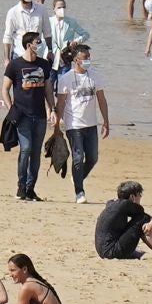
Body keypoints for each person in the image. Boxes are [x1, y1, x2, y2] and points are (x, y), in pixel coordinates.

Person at [53, 43, 110, 202]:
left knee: (92, 158)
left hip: (91, 124)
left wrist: (106, 121)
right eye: (85, 59)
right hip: (74, 125)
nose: (88, 61)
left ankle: (78, 177)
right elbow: (61, 103)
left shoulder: (95, 76)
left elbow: (102, 100)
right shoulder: (66, 79)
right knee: (78, 157)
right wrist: (57, 125)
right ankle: (79, 192)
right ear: (76, 60)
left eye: (89, 58)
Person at [3, 31, 54, 201]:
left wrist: (52, 108)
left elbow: (47, 89)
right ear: (28, 45)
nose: (39, 45)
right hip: (22, 115)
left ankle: (31, 188)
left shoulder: (44, 64)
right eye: (37, 42)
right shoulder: (15, 65)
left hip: (39, 115)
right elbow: (5, 89)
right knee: (25, 149)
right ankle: (21, 185)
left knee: (36, 153)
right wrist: (11, 109)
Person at [95, 181, 152, 260]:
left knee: (139, 219)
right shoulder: (125, 204)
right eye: (139, 195)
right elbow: (143, 215)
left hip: (103, 251)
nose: (140, 197)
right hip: (111, 252)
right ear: (132, 197)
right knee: (142, 219)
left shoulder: (112, 203)